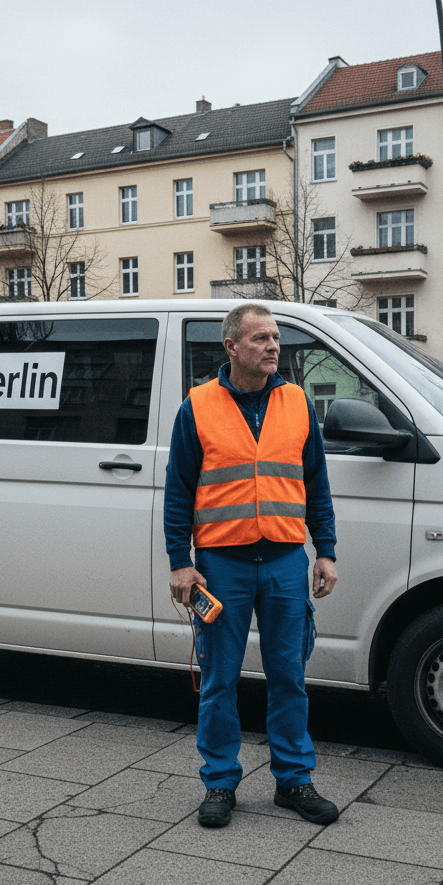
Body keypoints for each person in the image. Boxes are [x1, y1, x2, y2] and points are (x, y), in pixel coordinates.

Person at [165, 302, 340, 828]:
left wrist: (325, 550)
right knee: (220, 681)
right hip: (223, 566)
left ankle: (294, 780)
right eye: (261, 338)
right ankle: (220, 783)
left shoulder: (297, 403)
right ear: (232, 347)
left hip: (285, 561)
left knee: (289, 678)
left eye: (275, 338)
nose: (272, 346)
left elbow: (316, 484)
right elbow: (178, 491)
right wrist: (180, 562)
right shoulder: (198, 406)